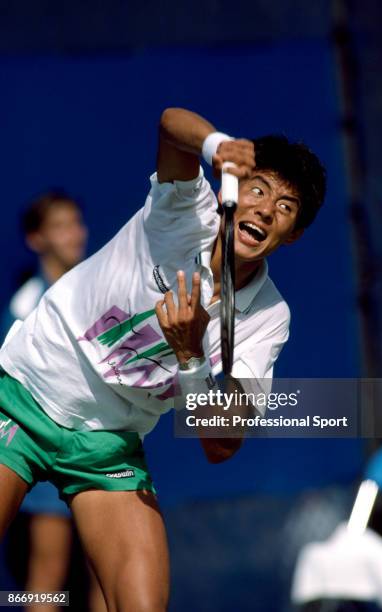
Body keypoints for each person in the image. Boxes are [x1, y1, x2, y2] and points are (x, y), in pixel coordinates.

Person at [0, 108, 326, 611]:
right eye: (258, 191)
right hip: (26, 396)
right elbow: (171, 124)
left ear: (294, 233)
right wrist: (216, 144)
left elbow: (222, 443)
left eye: (285, 207)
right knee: (44, 578)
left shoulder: (270, 315)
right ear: (230, 192)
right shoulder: (183, 210)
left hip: (106, 446)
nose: (264, 210)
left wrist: (191, 355)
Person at [0, 192, 105, 612]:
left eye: (76, 223)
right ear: (36, 239)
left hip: (98, 445)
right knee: (48, 578)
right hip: (42, 450)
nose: (74, 235)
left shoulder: (101, 288)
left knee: (107, 574)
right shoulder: (24, 305)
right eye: (60, 226)